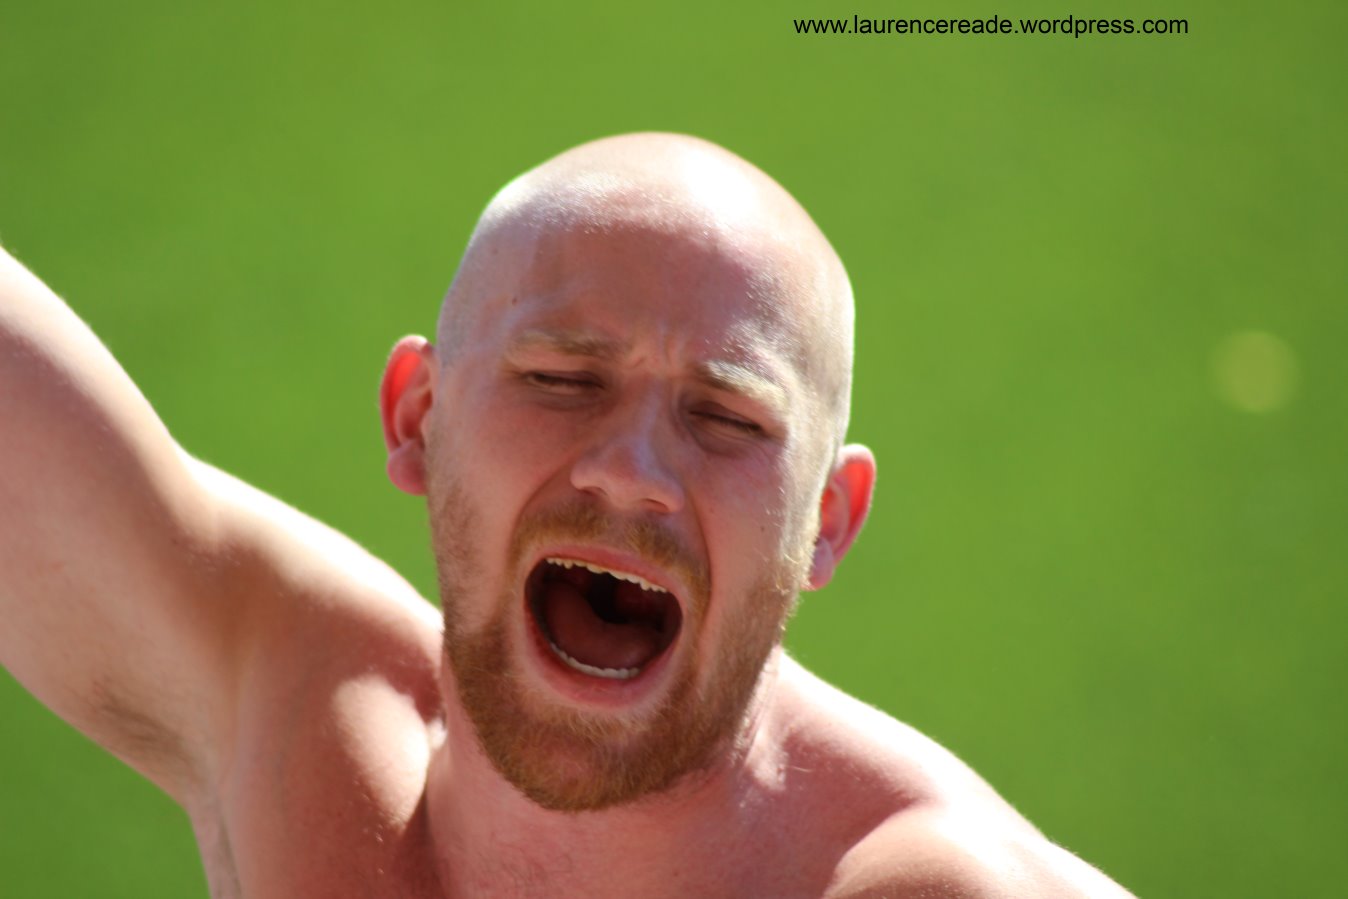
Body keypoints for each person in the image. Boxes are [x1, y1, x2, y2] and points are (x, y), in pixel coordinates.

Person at [0, 133, 1132, 898]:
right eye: (560, 378)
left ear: (827, 520)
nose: (630, 471)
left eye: (726, 416)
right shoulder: (290, 706)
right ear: (419, 415)